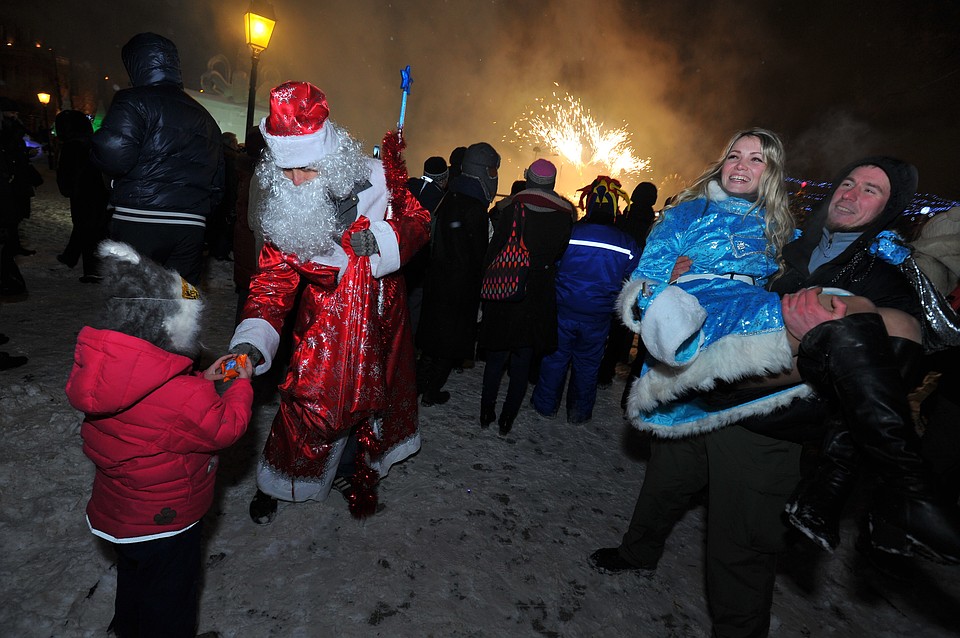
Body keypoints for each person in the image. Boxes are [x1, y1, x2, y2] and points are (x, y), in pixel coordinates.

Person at [226, 81, 430, 524]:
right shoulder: (285, 205)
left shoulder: (379, 180)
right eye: (287, 172)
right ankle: (281, 479)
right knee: (307, 401)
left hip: (378, 314)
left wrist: (381, 239)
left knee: (371, 402)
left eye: (307, 171)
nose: (296, 181)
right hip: (321, 320)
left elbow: (418, 222)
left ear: (331, 159)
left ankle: (350, 469)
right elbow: (270, 284)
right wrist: (250, 343)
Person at [66, 240, 253, 638]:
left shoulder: (108, 378)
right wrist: (238, 385)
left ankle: (130, 628)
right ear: (172, 330)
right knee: (171, 599)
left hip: (116, 515)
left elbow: (155, 411)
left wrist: (202, 380)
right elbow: (227, 428)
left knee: (135, 580)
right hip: (166, 523)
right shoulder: (184, 397)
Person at [91, 32, 224, 286]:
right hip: (190, 226)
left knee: (131, 296)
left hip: (140, 217)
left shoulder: (133, 101)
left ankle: (131, 327)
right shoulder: (205, 118)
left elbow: (113, 156)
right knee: (186, 294)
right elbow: (217, 185)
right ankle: (186, 325)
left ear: (136, 65)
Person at [531, 175, 640, 424]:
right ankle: (578, 413)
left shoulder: (570, 232)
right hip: (599, 316)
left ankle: (545, 406)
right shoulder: (627, 243)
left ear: (588, 205)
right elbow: (633, 278)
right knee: (588, 364)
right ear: (615, 209)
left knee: (555, 359)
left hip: (564, 310)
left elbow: (554, 264)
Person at [478, 159, 573, 435]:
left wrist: (486, 283)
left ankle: (486, 411)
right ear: (553, 184)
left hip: (508, 288)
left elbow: (494, 250)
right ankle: (508, 418)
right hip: (539, 293)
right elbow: (560, 252)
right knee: (522, 361)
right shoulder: (565, 215)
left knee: (496, 358)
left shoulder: (511, 207)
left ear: (528, 178)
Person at [416, 142, 500, 406]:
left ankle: (416, 388)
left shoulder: (449, 196)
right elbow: (478, 254)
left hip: (438, 279)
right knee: (447, 344)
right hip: (459, 286)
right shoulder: (474, 206)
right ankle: (430, 391)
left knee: (432, 343)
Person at [55, 109, 110, 283]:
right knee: (94, 229)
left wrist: (68, 188)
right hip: (98, 192)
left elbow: (69, 173)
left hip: (83, 193)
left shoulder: (72, 145)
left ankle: (91, 269)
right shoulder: (91, 143)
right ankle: (74, 258)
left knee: (86, 229)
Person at [404, 156, 449, 335]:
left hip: (399, 252)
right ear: (444, 178)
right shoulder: (440, 199)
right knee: (414, 307)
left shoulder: (409, 187)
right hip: (421, 258)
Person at [0, 97, 41, 297]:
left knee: (16, 215)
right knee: (9, 219)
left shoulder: (14, 128)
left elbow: (14, 149)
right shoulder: (7, 129)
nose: (14, 116)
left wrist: (26, 153)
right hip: (8, 183)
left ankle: (13, 243)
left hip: (15, 180)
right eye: (10, 112)